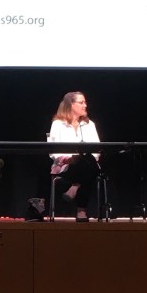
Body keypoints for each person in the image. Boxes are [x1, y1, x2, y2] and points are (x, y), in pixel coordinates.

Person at [48, 91, 101, 222]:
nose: (85, 105)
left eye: (85, 102)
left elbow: (97, 149)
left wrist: (86, 157)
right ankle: (81, 210)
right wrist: (68, 159)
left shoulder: (89, 124)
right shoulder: (58, 124)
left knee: (87, 159)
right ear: (71, 104)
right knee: (88, 168)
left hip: (88, 164)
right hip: (66, 166)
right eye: (81, 102)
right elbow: (53, 150)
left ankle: (75, 187)